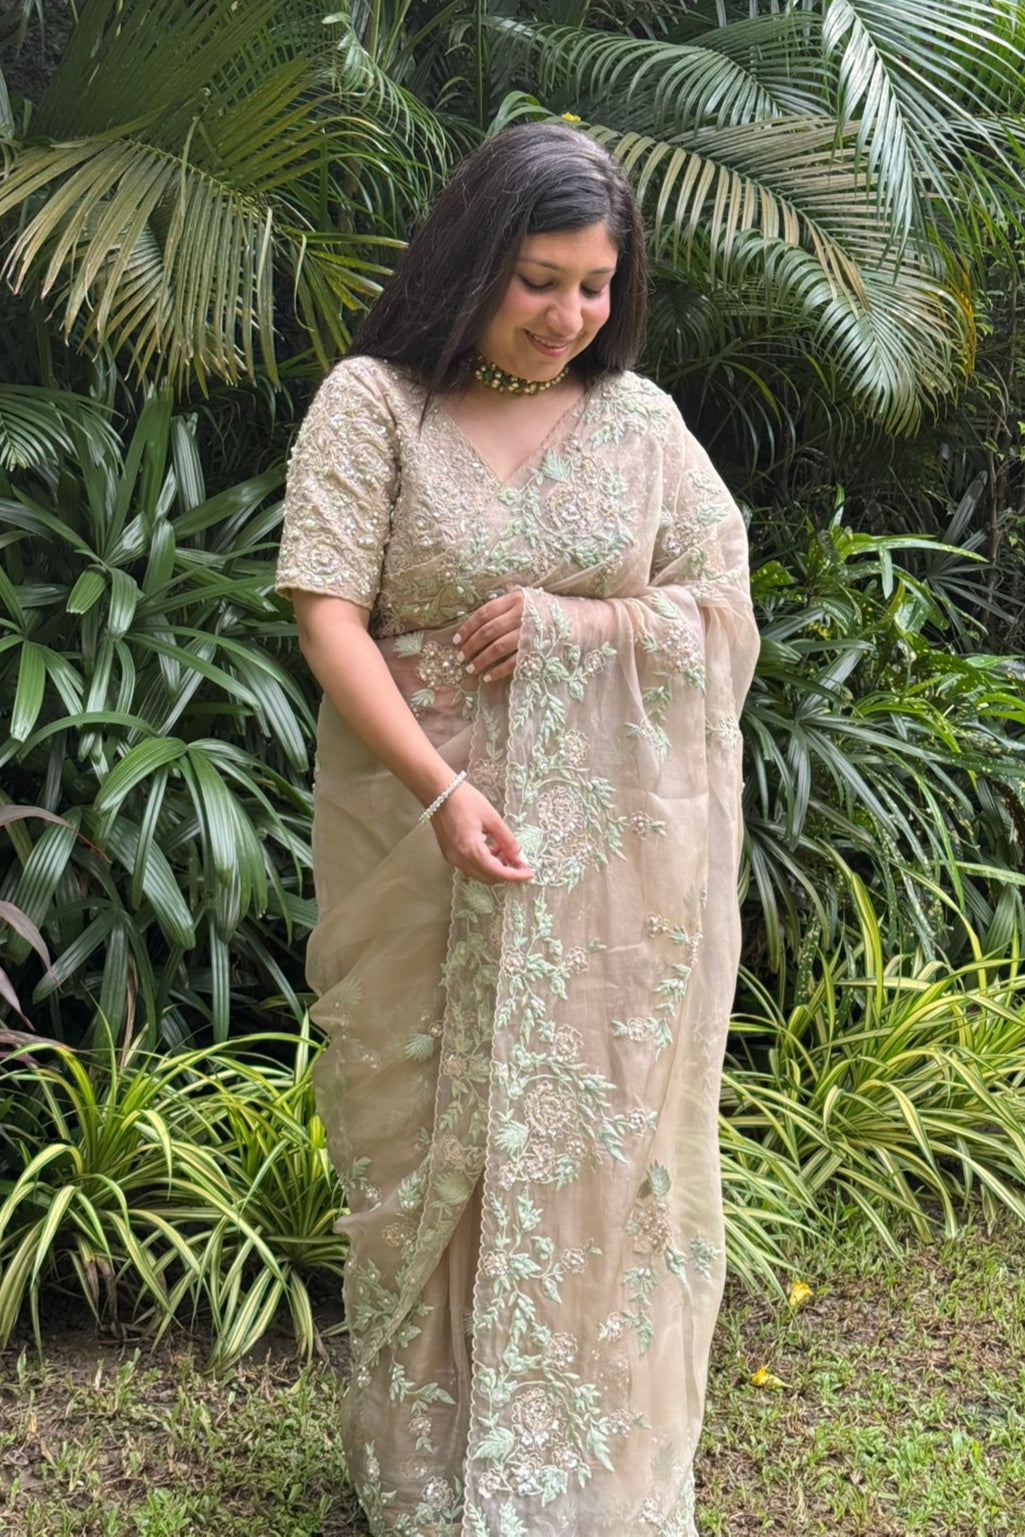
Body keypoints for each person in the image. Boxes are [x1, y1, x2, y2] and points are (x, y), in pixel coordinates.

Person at [274, 118, 760, 1537]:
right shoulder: (374, 406)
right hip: (412, 834)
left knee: (596, 1139)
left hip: (608, 871)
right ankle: (431, 1467)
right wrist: (439, 788)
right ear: (475, 261)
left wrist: (574, 629)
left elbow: (721, 616)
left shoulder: (644, 426)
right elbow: (326, 607)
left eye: (596, 285)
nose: (568, 316)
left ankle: (584, 1476)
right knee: (416, 1129)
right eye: (539, 279)